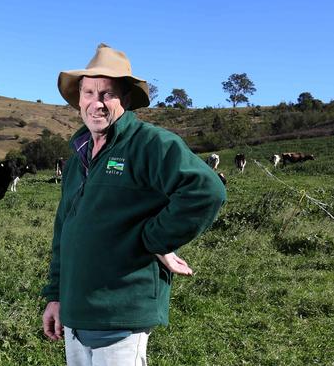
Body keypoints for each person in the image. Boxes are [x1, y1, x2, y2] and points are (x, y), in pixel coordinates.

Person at [41, 44, 227, 365]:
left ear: (125, 100)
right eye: (88, 93)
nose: (96, 104)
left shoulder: (149, 143)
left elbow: (205, 189)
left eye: (107, 94)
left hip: (119, 315)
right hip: (75, 314)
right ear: (79, 99)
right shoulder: (76, 160)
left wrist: (154, 240)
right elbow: (64, 232)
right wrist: (56, 296)